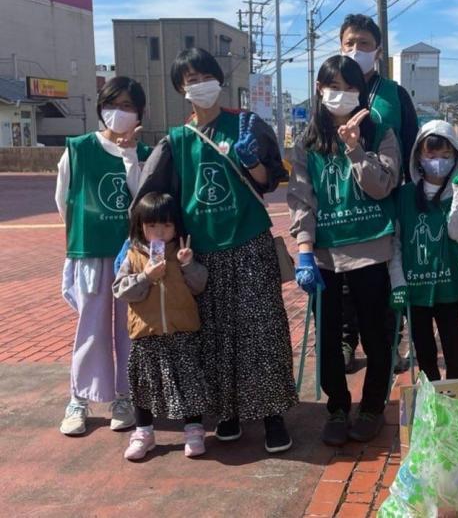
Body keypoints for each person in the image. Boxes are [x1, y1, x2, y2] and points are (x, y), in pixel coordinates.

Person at [132, 48, 297, 453]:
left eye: (206, 76)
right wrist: (141, 245)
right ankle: (227, 413)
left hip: (250, 242)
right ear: (180, 88)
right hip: (202, 253)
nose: (200, 84)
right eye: (191, 79)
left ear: (219, 80)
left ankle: (273, 415)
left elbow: (268, 181)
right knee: (214, 336)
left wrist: (253, 161)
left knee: (263, 331)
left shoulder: (245, 124)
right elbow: (154, 197)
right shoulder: (177, 140)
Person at [288, 55, 399, 446]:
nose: (341, 95)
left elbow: (382, 186)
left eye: (351, 87)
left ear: (362, 92)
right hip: (326, 257)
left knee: (375, 334)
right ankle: (336, 406)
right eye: (333, 87)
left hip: (371, 251)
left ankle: (372, 407)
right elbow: (301, 198)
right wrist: (304, 251)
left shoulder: (379, 132)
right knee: (328, 336)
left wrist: (354, 149)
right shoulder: (307, 141)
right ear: (319, 89)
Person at [55, 76, 151, 436]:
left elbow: (143, 201)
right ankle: (79, 398)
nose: (119, 113)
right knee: (91, 328)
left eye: (128, 106)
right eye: (113, 105)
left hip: (131, 256)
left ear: (139, 113)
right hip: (91, 252)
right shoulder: (79, 149)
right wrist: (83, 236)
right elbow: (64, 199)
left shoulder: (144, 153)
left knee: (130, 330)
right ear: (101, 108)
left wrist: (130, 156)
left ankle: (124, 396)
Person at [339, 13, 419, 372]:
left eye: (364, 44)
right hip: (341, 202)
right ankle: (346, 340)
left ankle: (390, 342)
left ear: (378, 51)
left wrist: (412, 195)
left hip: (387, 199)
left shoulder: (394, 94)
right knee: (344, 277)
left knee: (387, 275)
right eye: (349, 43)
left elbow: (412, 144)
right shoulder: (331, 89)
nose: (356, 50)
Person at [113, 193, 209, 460]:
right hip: (146, 333)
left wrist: (188, 264)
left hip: (182, 331)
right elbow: (120, 290)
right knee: (144, 385)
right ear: (140, 226)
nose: (159, 232)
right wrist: (145, 276)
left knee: (189, 382)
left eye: (166, 225)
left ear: (176, 226)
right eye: (152, 225)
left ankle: (194, 430)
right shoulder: (133, 255)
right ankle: (143, 432)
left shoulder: (182, 253)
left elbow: (200, 285)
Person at [388, 120, 458, 382]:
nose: (438, 161)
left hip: (448, 286)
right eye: (432, 155)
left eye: (446, 155)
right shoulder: (404, 196)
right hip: (415, 289)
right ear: (419, 156)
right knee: (425, 353)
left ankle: (457, 399)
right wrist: (397, 282)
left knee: (455, 354)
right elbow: (396, 243)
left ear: (455, 157)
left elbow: (456, 233)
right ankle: (433, 397)